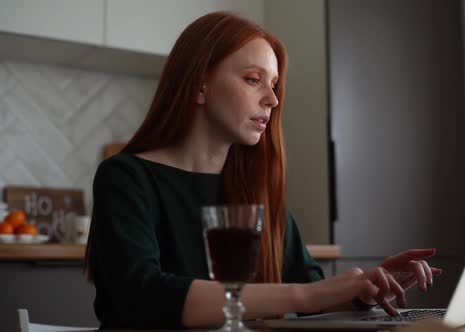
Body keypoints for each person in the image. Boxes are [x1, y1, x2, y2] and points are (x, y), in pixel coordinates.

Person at [83, 11, 442, 329]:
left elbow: (312, 294)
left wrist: (366, 288)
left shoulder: (255, 191)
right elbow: (143, 297)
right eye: (253, 79)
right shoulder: (126, 177)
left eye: (273, 85)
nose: (272, 99)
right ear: (199, 85)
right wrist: (305, 296)